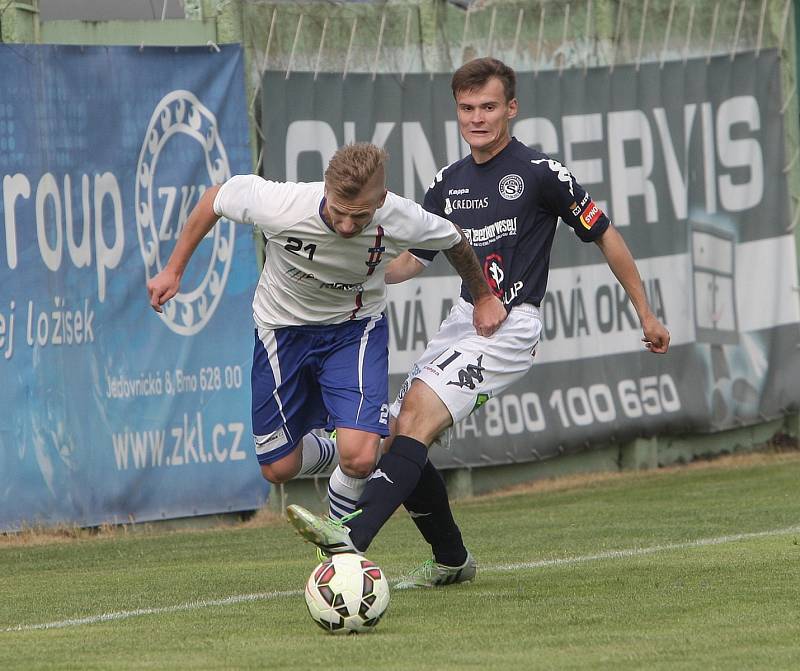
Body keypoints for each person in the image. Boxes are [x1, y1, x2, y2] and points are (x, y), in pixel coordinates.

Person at [286, 58, 671, 585]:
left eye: (488, 106)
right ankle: (451, 561)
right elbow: (408, 263)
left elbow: (605, 233)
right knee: (399, 434)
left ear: (511, 108)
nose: (477, 118)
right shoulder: (447, 184)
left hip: (510, 327)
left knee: (413, 420)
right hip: (462, 321)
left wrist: (644, 311)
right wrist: (349, 276)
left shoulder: (540, 174)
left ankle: (346, 544)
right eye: (467, 108)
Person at [147, 142, 507, 524]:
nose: (348, 226)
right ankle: (352, 439)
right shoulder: (282, 204)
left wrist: (483, 297)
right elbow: (214, 199)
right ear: (325, 189)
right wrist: (173, 269)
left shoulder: (401, 217)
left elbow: (453, 239)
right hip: (281, 331)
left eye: (361, 216)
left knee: (362, 457)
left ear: (381, 199)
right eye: (339, 212)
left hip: (354, 331)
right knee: (278, 468)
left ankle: (339, 543)